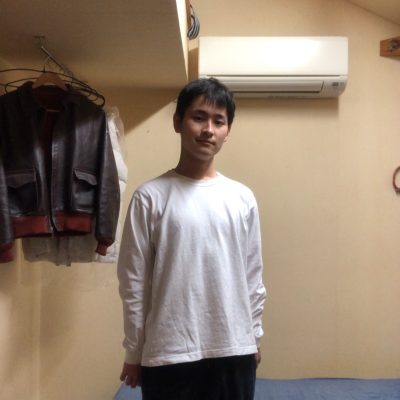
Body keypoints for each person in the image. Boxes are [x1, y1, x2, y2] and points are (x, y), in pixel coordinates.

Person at [117, 78, 266, 400]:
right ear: (178, 122)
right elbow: (133, 283)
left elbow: (252, 277)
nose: (208, 129)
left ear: (227, 131)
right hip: (168, 353)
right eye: (198, 117)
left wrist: (254, 336)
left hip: (234, 350)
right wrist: (134, 350)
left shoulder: (242, 198)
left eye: (219, 121)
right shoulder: (149, 197)